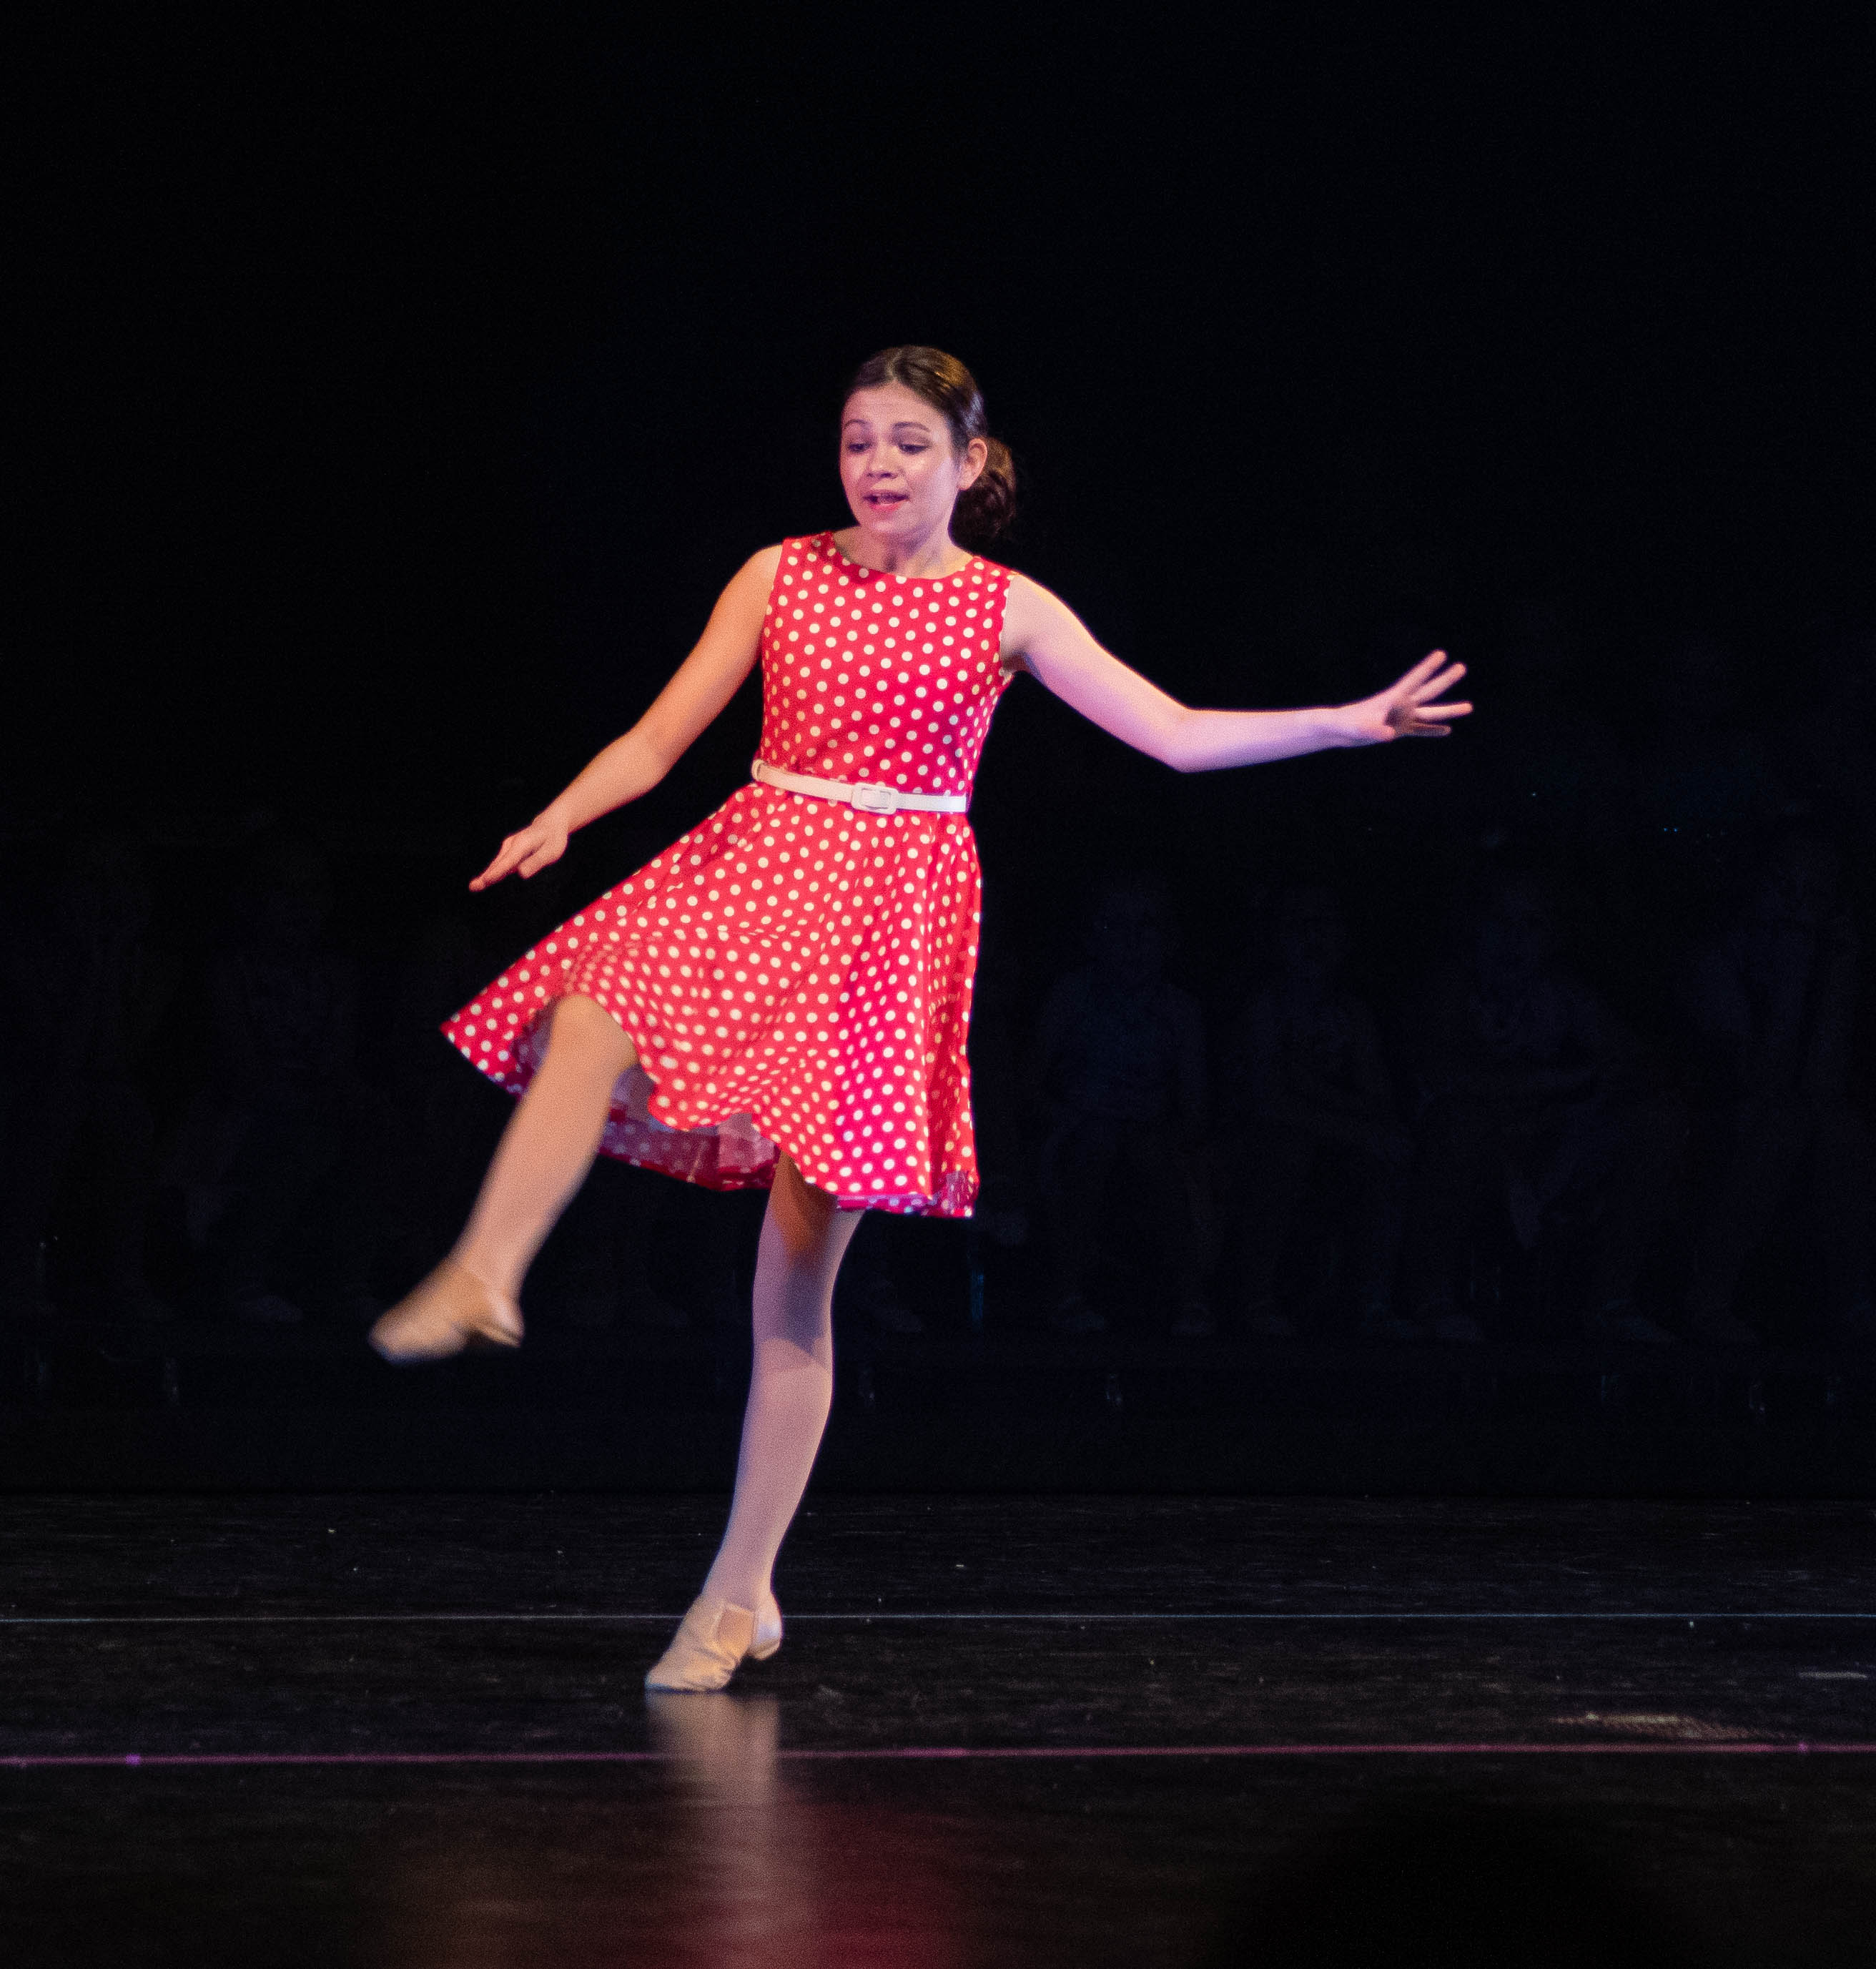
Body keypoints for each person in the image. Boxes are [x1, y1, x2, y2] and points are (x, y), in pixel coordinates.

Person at [367, 346, 1472, 1692]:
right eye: (856, 440)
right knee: (587, 1009)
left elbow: (1174, 733)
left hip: (884, 930)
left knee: (793, 1277)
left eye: (905, 442)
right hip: (754, 868)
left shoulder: (1009, 607)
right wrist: (562, 814)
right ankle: (486, 1269)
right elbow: (657, 741)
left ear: (966, 460)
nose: (877, 465)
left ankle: (737, 1592)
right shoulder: (779, 573)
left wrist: (1345, 723)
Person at [1221, 884, 1414, 1340]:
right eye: (1298, 924)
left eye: (1325, 923)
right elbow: (1267, 1103)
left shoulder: (1352, 1013)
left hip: (1330, 1138)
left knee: (1391, 1155)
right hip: (1255, 1140)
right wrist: (1351, 1123)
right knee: (1288, 1150)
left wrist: (1311, 1088)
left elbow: (1379, 1100)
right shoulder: (1265, 1006)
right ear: (1272, 938)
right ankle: (1256, 1296)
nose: (1314, 936)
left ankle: (1374, 1301)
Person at [1032, 874, 1213, 1337]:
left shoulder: (1180, 1010)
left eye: (1146, 926)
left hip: (1152, 1132)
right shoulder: (1071, 996)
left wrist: (1171, 1135)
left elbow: (1194, 1104)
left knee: (1157, 1159)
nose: (1132, 941)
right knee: (1096, 1145)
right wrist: (1068, 1119)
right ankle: (1067, 1293)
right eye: (1116, 926)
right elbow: (1031, 1083)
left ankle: (1192, 1298)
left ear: (1168, 939)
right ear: (1092, 937)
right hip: (1078, 1128)